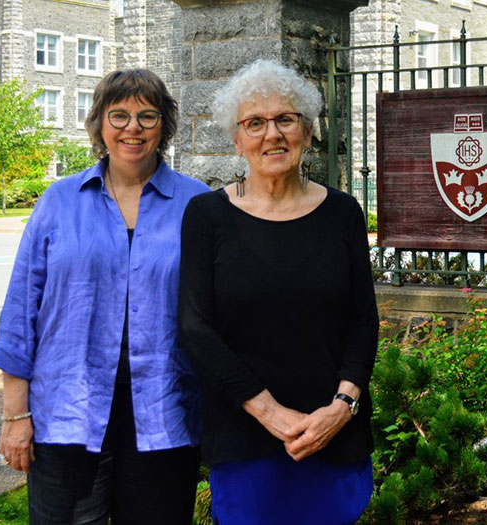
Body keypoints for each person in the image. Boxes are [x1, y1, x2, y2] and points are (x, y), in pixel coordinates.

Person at [0, 69, 209, 524]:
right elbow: (21, 312)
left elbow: (220, 314)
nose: (133, 128)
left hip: (164, 414)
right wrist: (15, 417)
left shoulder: (198, 204)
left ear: (164, 125)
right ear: (99, 123)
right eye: (119, 115)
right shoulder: (59, 200)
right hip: (67, 413)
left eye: (147, 116)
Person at [178, 59, 379, 525]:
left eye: (285, 119)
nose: (272, 134)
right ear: (236, 139)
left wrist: (342, 407)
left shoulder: (343, 213)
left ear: (307, 133)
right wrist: (271, 414)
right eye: (255, 123)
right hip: (246, 438)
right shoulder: (206, 216)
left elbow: (363, 320)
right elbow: (194, 327)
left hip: (333, 433)